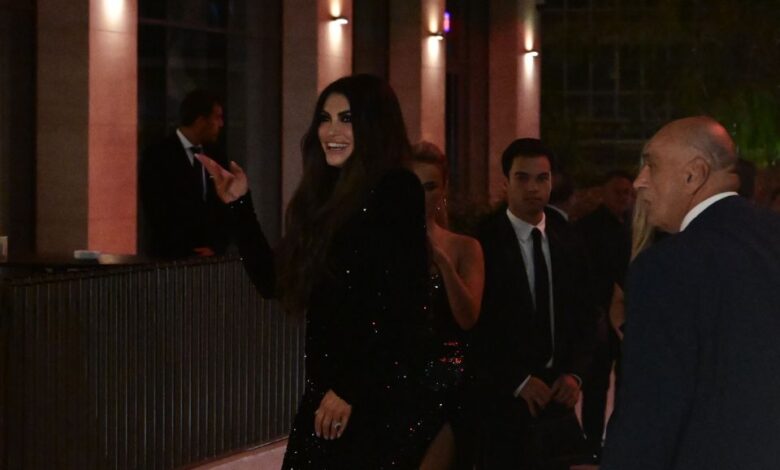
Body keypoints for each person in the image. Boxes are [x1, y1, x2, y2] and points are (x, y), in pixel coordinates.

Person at [199, 74, 447, 469]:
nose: (331, 131)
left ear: (373, 124)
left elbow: (404, 305)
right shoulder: (324, 196)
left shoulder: (396, 188)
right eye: (325, 119)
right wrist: (239, 206)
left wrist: (351, 388)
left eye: (346, 119)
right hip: (327, 395)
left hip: (370, 397)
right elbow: (274, 281)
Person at [601, 116, 780, 469]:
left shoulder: (666, 267)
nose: (639, 181)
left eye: (651, 165)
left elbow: (650, 413)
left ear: (693, 174)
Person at [472, 138, 595, 469]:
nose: (533, 188)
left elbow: (586, 313)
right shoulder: (483, 241)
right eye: (522, 178)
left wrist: (575, 375)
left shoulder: (567, 237)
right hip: (503, 397)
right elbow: (475, 326)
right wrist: (517, 380)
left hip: (558, 392)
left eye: (542, 178)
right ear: (505, 182)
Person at [407, 141, 485, 468]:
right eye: (413, 186)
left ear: (443, 189)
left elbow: (468, 317)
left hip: (449, 383)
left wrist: (443, 263)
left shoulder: (464, 247)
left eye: (430, 187)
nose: (421, 196)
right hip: (395, 383)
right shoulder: (380, 249)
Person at [575, 170, 633, 461]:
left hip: (624, 313)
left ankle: (613, 440)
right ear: (603, 193)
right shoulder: (589, 228)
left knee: (624, 382)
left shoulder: (631, 225)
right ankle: (592, 443)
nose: (624, 198)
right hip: (597, 312)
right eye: (618, 192)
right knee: (597, 383)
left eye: (627, 193)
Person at [139, 89, 229, 259]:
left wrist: (216, 246)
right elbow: (156, 209)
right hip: (170, 258)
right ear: (201, 121)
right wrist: (186, 249)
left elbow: (225, 206)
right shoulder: (158, 155)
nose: (221, 124)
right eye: (217, 117)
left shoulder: (217, 156)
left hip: (211, 260)